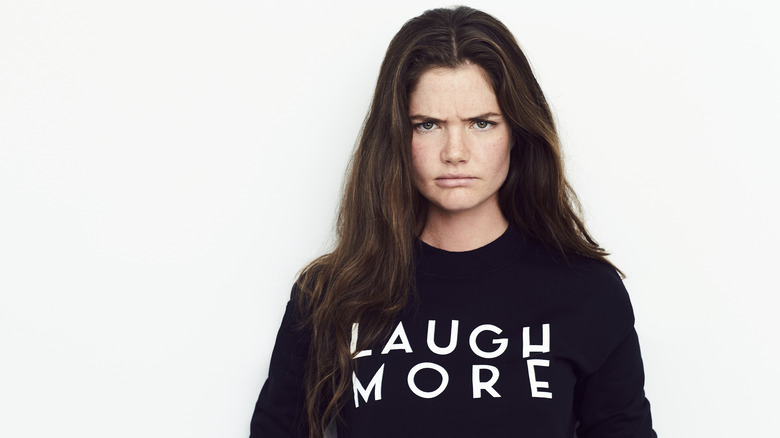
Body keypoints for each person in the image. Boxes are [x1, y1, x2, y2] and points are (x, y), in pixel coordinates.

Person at [250, 6, 656, 438]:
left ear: (516, 132)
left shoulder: (587, 292)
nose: (455, 152)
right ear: (396, 138)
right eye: (428, 125)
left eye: (482, 123)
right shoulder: (331, 294)